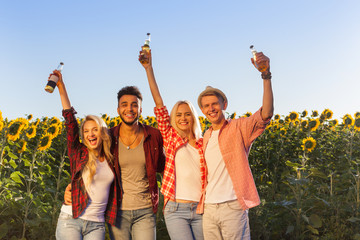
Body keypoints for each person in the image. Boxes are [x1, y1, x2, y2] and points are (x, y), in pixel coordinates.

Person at [64, 86, 166, 240]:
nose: (129, 109)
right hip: (117, 210)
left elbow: (163, 167)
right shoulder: (109, 137)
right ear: (118, 110)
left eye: (134, 105)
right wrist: (72, 184)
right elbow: (87, 156)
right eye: (124, 105)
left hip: (145, 209)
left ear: (140, 110)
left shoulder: (153, 135)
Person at [197, 52, 274, 240]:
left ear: (224, 104)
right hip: (209, 208)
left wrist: (266, 76)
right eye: (206, 105)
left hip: (232, 205)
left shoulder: (239, 127)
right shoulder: (205, 136)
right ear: (202, 110)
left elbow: (266, 114)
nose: (211, 108)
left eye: (215, 103)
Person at [139, 49, 206, 240]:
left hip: (202, 208)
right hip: (176, 208)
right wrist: (148, 69)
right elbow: (158, 101)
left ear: (193, 117)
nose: (183, 118)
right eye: (178, 114)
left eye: (187, 114)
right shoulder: (170, 136)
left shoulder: (204, 143)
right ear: (173, 118)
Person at [53, 69, 119, 240]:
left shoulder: (112, 157)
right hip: (71, 219)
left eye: (95, 130)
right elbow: (70, 122)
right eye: (87, 131)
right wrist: (61, 87)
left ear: (103, 132)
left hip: (96, 224)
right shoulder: (79, 152)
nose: (91, 134)